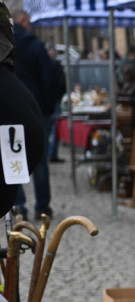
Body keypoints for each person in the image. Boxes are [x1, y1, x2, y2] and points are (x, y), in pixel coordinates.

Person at [11, 9, 58, 220]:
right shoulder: (35, 45)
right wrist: (48, 108)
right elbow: (49, 79)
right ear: (22, 21)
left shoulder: (5, 46)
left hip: (10, 110)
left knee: (13, 158)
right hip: (35, 109)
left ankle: (19, 205)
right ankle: (42, 205)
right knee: (40, 160)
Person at [46, 45, 66, 163]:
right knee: (55, 129)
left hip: (46, 101)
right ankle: (52, 154)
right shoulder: (55, 65)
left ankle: (49, 153)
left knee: (49, 129)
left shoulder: (42, 65)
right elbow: (62, 83)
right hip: (55, 101)